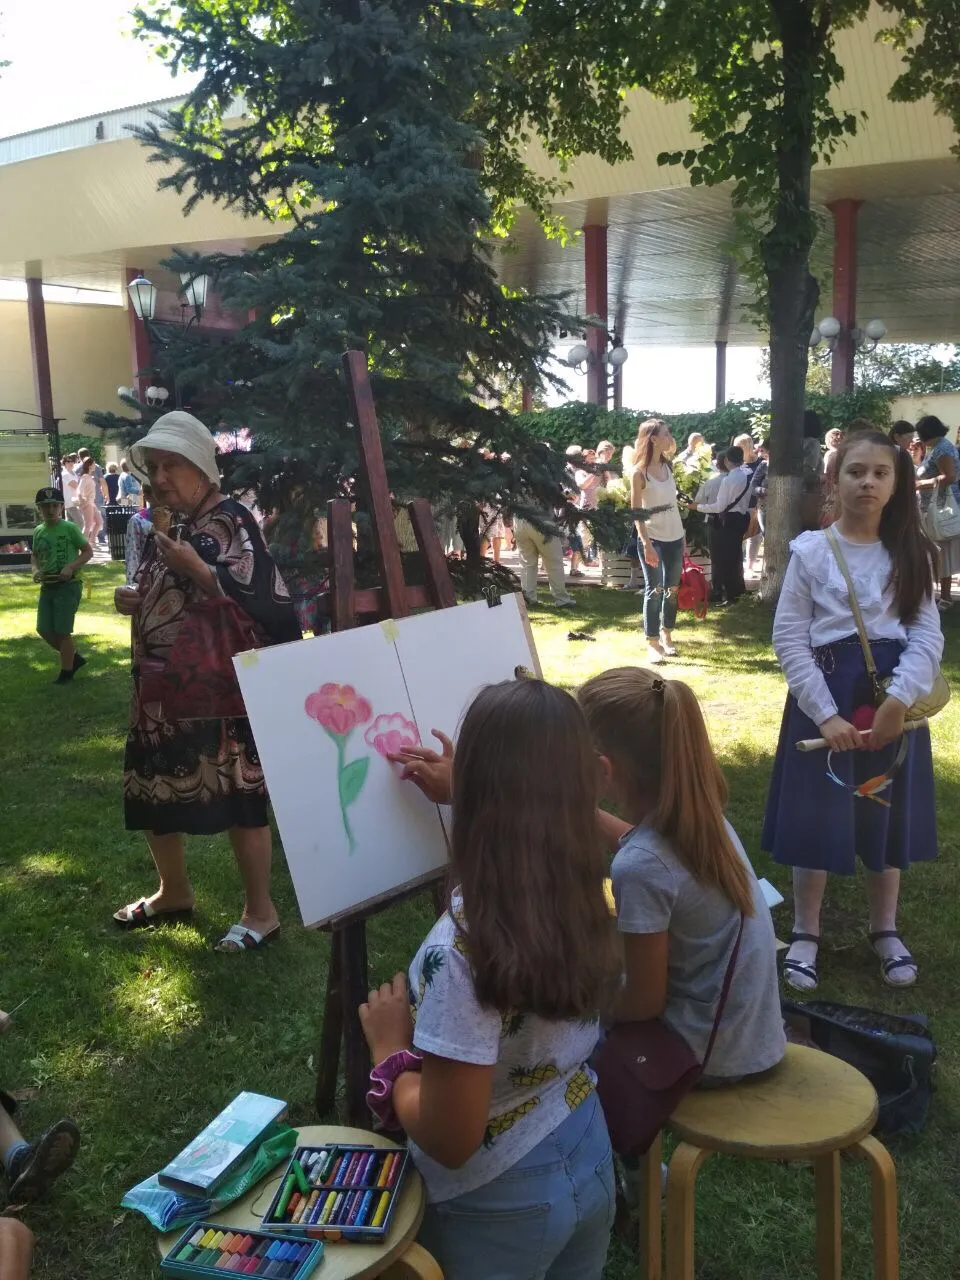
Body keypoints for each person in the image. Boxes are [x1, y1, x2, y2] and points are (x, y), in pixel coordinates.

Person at [360, 680, 621, 1279]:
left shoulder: (462, 953)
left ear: (470, 792)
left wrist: (391, 1056)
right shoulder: (589, 892)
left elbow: (452, 1138)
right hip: (586, 1146)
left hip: (495, 1201)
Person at [111, 411, 301, 952]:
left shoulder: (230, 519)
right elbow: (156, 585)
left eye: (171, 465)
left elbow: (267, 600)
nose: (160, 477)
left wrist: (198, 569)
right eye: (153, 466)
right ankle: (173, 891)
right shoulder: (171, 523)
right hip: (158, 688)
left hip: (215, 690)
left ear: (200, 467)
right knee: (153, 786)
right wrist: (132, 598)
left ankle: (261, 913)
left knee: (239, 795)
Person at [763, 429, 942, 990]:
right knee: (819, 810)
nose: (868, 482)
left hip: (889, 699)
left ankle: (884, 928)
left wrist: (898, 701)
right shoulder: (811, 552)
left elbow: (927, 636)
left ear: (897, 482)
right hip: (824, 697)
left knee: (882, 809)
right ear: (833, 479)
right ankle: (806, 930)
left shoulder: (912, 552)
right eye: (855, 471)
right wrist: (824, 713)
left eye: (881, 473)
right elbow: (790, 637)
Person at [579, 666, 785, 1077]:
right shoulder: (701, 820)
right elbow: (644, 852)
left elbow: (643, 1002)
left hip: (703, 1060)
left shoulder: (640, 867)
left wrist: (582, 1004)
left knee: (552, 1040)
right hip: (751, 1041)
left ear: (603, 770)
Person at [630, 419, 685, 663]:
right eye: (666, 433)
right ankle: (652, 642)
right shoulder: (638, 473)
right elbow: (636, 512)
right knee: (655, 590)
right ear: (653, 438)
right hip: (653, 539)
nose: (670, 437)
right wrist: (646, 544)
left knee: (672, 590)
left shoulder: (668, 465)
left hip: (676, 536)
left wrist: (682, 534)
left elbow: (672, 502)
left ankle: (667, 634)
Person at [30, 487, 92, 684]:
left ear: (61, 507)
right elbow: (35, 555)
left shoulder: (70, 528)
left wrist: (70, 566)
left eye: (54, 506)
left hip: (68, 585)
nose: (50, 510)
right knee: (43, 629)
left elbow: (87, 552)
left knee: (62, 631)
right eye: (45, 506)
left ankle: (66, 673)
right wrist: (35, 570)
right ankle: (74, 658)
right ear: (39, 508)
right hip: (47, 586)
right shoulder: (38, 531)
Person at [688, 445, 753, 605]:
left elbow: (719, 507)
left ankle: (727, 594)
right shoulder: (746, 476)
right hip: (741, 519)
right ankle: (737, 591)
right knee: (735, 556)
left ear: (727, 460)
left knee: (722, 558)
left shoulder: (728, 480)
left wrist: (698, 507)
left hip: (726, 521)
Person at [914, 414, 960, 611]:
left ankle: (946, 597)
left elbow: (949, 477)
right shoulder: (938, 447)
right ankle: (939, 594)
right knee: (936, 551)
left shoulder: (942, 449)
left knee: (942, 552)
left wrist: (919, 484)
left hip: (940, 508)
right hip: (932, 506)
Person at [514, 512, 577, 608]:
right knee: (554, 563)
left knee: (527, 563)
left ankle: (528, 598)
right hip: (542, 519)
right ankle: (562, 600)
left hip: (519, 519)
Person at [75, 449, 108, 544]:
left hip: (91, 503)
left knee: (99, 522)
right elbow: (79, 490)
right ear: (89, 466)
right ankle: (83, 545)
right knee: (88, 525)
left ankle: (91, 541)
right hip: (87, 504)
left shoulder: (89, 476)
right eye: (93, 464)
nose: (94, 465)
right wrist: (82, 500)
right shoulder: (85, 477)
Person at [59, 455, 83, 526]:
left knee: (70, 523)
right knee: (81, 522)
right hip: (70, 502)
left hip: (75, 501)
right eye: (68, 461)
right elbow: (76, 486)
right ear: (64, 463)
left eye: (72, 461)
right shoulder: (65, 474)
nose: (70, 463)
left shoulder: (73, 473)